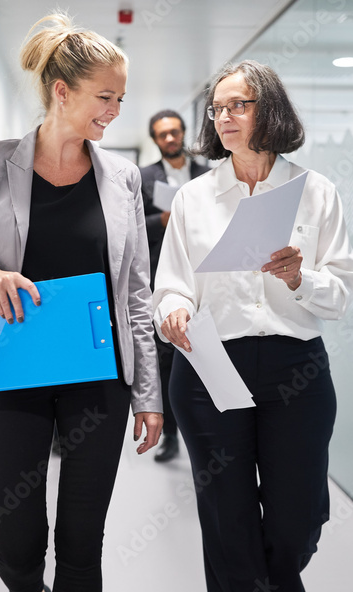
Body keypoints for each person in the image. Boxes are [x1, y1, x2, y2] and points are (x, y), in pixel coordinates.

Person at [0, 13, 163, 592]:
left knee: (82, 538)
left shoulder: (122, 176)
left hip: (99, 373)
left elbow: (138, 294)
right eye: (105, 97)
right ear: (61, 90)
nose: (115, 111)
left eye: (121, 98)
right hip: (15, 362)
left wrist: (149, 393)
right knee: (16, 540)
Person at [153, 60, 353, 592]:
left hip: (295, 367)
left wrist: (302, 277)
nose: (225, 118)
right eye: (217, 109)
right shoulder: (194, 197)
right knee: (227, 518)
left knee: (298, 517)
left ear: (269, 110)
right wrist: (173, 311)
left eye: (238, 105)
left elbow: (342, 292)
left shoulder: (315, 192)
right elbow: (172, 285)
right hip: (210, 366)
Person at [139, 110, 210, 463]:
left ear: (183, 133)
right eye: (162, 134)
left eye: (174, 132)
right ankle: (169, 436)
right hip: (161, 279)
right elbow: (131, 228)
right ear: (155, 139)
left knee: (206, 356)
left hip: (205, 278)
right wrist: (162, 220)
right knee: (166, 359)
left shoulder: (209, 175)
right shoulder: (143, 177)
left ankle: (207, 430)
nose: (169, 138)